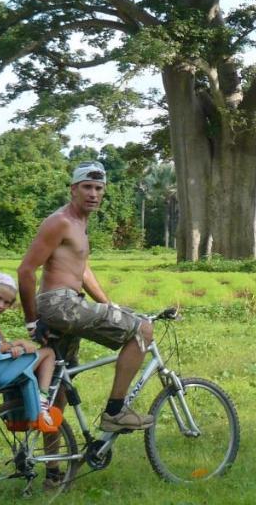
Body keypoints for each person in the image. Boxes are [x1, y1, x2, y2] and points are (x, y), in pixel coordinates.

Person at [18, 161, 156, 432]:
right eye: (87, 187)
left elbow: (82, 271)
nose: (93, 194)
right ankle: (115, 413)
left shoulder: (80, 224)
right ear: (73, 190)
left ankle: (55, 469)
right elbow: (26, 270)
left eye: (98, 188)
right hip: (61, 304)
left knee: (60, 384)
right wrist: (32, 321)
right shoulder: (60, 222)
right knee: (143, 329)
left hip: (67, 305)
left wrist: (107, 304)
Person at [0, 272, 55, 422]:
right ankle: (42, 399)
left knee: (35, 353)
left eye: (6, 303)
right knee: (49, 353)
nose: (1, 306)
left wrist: (11, 349)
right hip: (0, 371)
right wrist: (19, 343)